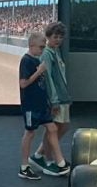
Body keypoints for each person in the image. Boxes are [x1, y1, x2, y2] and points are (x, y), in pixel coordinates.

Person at [18, 33, 68, 180]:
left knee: (52, 128)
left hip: (41, 104)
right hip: (30, 105)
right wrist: (38, 72)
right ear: (31, 46)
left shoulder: (37, 60)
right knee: (30, 133)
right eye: (40, 47)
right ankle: (24, 166)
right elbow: (23, 84)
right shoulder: (26, 61)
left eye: (43, 46)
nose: (42, 49)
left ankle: (60, 162)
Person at [31, 21, 72, 175]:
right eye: (55, 37)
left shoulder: (56, 51)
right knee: (53, 129)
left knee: (62, 127)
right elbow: (48, 78)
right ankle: (48, 159)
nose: (58, 40)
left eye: (61, 37)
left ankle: (39, 155)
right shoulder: (47, 53)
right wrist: (54, 100)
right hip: (56, 98)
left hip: (62, 96)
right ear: (48, 36)